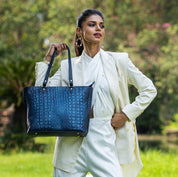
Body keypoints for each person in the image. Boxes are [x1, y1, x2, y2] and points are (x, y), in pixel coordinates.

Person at [35, 9, 157, 177]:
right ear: (79, 31)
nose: (98, 29)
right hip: (70, 144)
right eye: (92, 25)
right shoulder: (67, 66)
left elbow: (149, 89)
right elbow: (41, 95)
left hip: (104, 138)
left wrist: (126, 114)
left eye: (101, 25)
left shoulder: (118, 61)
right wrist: (48, 59)